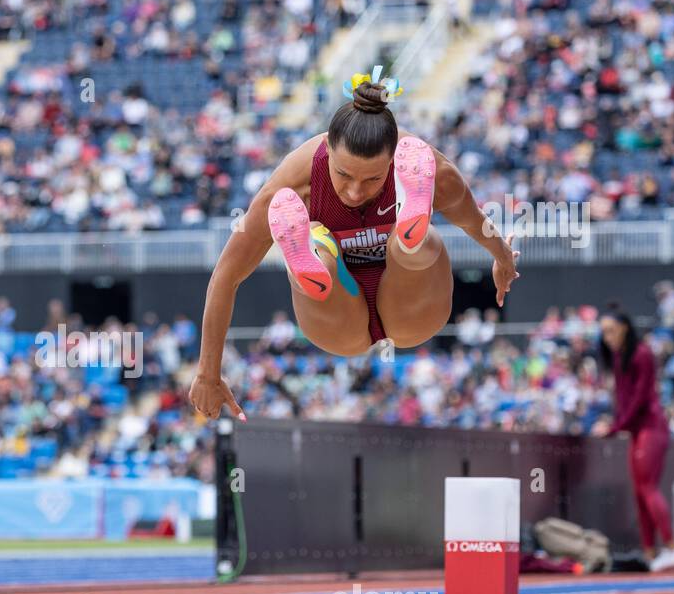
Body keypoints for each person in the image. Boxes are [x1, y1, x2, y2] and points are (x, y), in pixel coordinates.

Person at [189, 66, 520, 420]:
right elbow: (226, 275)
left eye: (373, 179)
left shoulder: (434, 172)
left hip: (412, 308)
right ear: (328, 149)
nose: (354, 191)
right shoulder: (292, 185)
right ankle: (313, 260)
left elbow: (474, 220)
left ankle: (410, 234)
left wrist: (503, 258)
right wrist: (207, 373)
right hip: (339, 316)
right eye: (343, 174)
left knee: (412, 245)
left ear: (393, 159)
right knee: (319, 239)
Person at [592, 304, 674, 572]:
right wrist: (618, 424)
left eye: (611, 331)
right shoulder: (620, 357)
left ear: (624, 329)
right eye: (604, 333)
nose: (607, 338)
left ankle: (672, 547)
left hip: (651, 427)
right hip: (638, 429)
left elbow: (640, 400)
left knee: (647, 487)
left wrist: (613, 428)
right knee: (640, 490)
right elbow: (624, 400)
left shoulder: (641, 354)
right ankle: (650, 551)